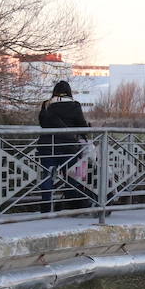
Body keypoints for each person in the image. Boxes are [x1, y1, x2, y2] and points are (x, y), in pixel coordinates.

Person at [37, 80, 91, 212]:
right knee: (71, 176)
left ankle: (45, 205)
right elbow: (82, 127)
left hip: (47, 146)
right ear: (69, 92)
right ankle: (72, 203)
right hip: (68, 147)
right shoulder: (74, 105)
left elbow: (43, 124)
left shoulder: (46, 104)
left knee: (47, 174)